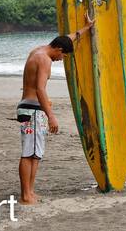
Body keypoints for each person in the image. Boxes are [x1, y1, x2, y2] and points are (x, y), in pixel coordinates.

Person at [17, 16, 94, 204]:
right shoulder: (44, 60)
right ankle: (25, 195)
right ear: (59, 50)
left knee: (36, 153)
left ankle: (30, 192)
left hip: (32, 109)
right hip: (33, 110)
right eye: (64, 56)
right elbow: (40, 89)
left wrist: (86, 28)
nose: (62, 59)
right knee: (29, 153)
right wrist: (51, 116)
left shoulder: (39, 50)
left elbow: (68, 37)